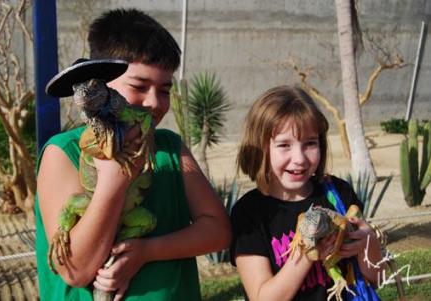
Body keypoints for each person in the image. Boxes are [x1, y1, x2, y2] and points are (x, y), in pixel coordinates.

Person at [35, 8, 231, 301]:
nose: (154, 102)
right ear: (101, 81)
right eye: (139, 86)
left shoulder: (169, 148)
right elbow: (76, 270)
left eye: (165, 89)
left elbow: (219, 231)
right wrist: (114, 179)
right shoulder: (64, 152)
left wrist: (146, 252)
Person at [230, 85, 385, 301]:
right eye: (284, 145)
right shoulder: (249, 214)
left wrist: (369, 244)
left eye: (310, 143)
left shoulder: (338, 194)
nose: (300, 158)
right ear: (260, 148)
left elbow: (377, 278)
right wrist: (309, 252)